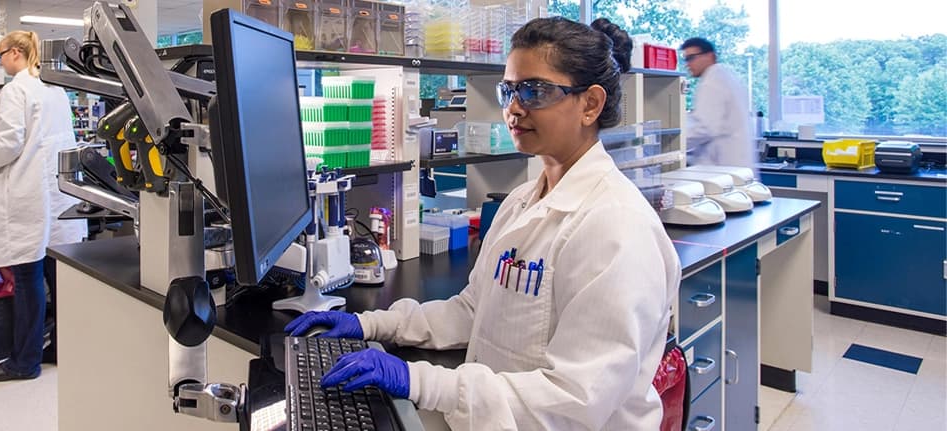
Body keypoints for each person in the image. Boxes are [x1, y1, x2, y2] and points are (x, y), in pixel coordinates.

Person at [286, 16, 681, 430]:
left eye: (536, 90)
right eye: (509, 89)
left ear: (590, 104)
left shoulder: (615, 229)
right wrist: (369, 324)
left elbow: (573, 400)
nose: (513, 107)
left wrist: (418, 380)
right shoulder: (522, 202)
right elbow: (474, 310)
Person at [0, 30, 87, 382]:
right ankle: (60, 348)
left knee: (28, 280)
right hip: (58, 194)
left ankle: (24, 362)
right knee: (57, 276)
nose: (0, 61)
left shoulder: (15, 89)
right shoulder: (55, 88)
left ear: (16, 54)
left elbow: (8, 144)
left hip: (29, 196)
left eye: (0, 55)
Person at [681, 37, 755, 168]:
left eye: (691, 58)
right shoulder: (726, 75)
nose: (688, 64)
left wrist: (673, 145)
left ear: (710, 56)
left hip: (724, 166)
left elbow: (704, 128)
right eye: (686, 59)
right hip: (736, 164)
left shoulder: (712, 81)